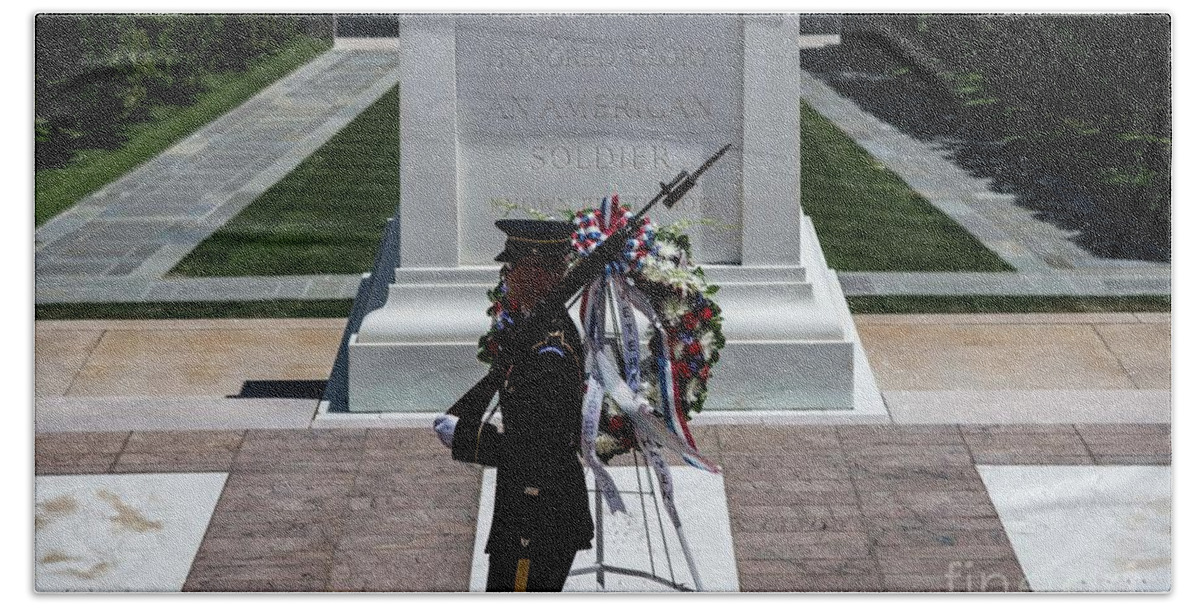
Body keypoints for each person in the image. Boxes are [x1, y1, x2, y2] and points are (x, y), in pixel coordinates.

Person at [433, 219, 594, 592]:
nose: (505, 277)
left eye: (512, 268)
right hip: (527, 508)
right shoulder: (534, 330)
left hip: (539, 518)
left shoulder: (548, 353)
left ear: (536, 272)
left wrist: (468, 438)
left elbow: (538, 450)